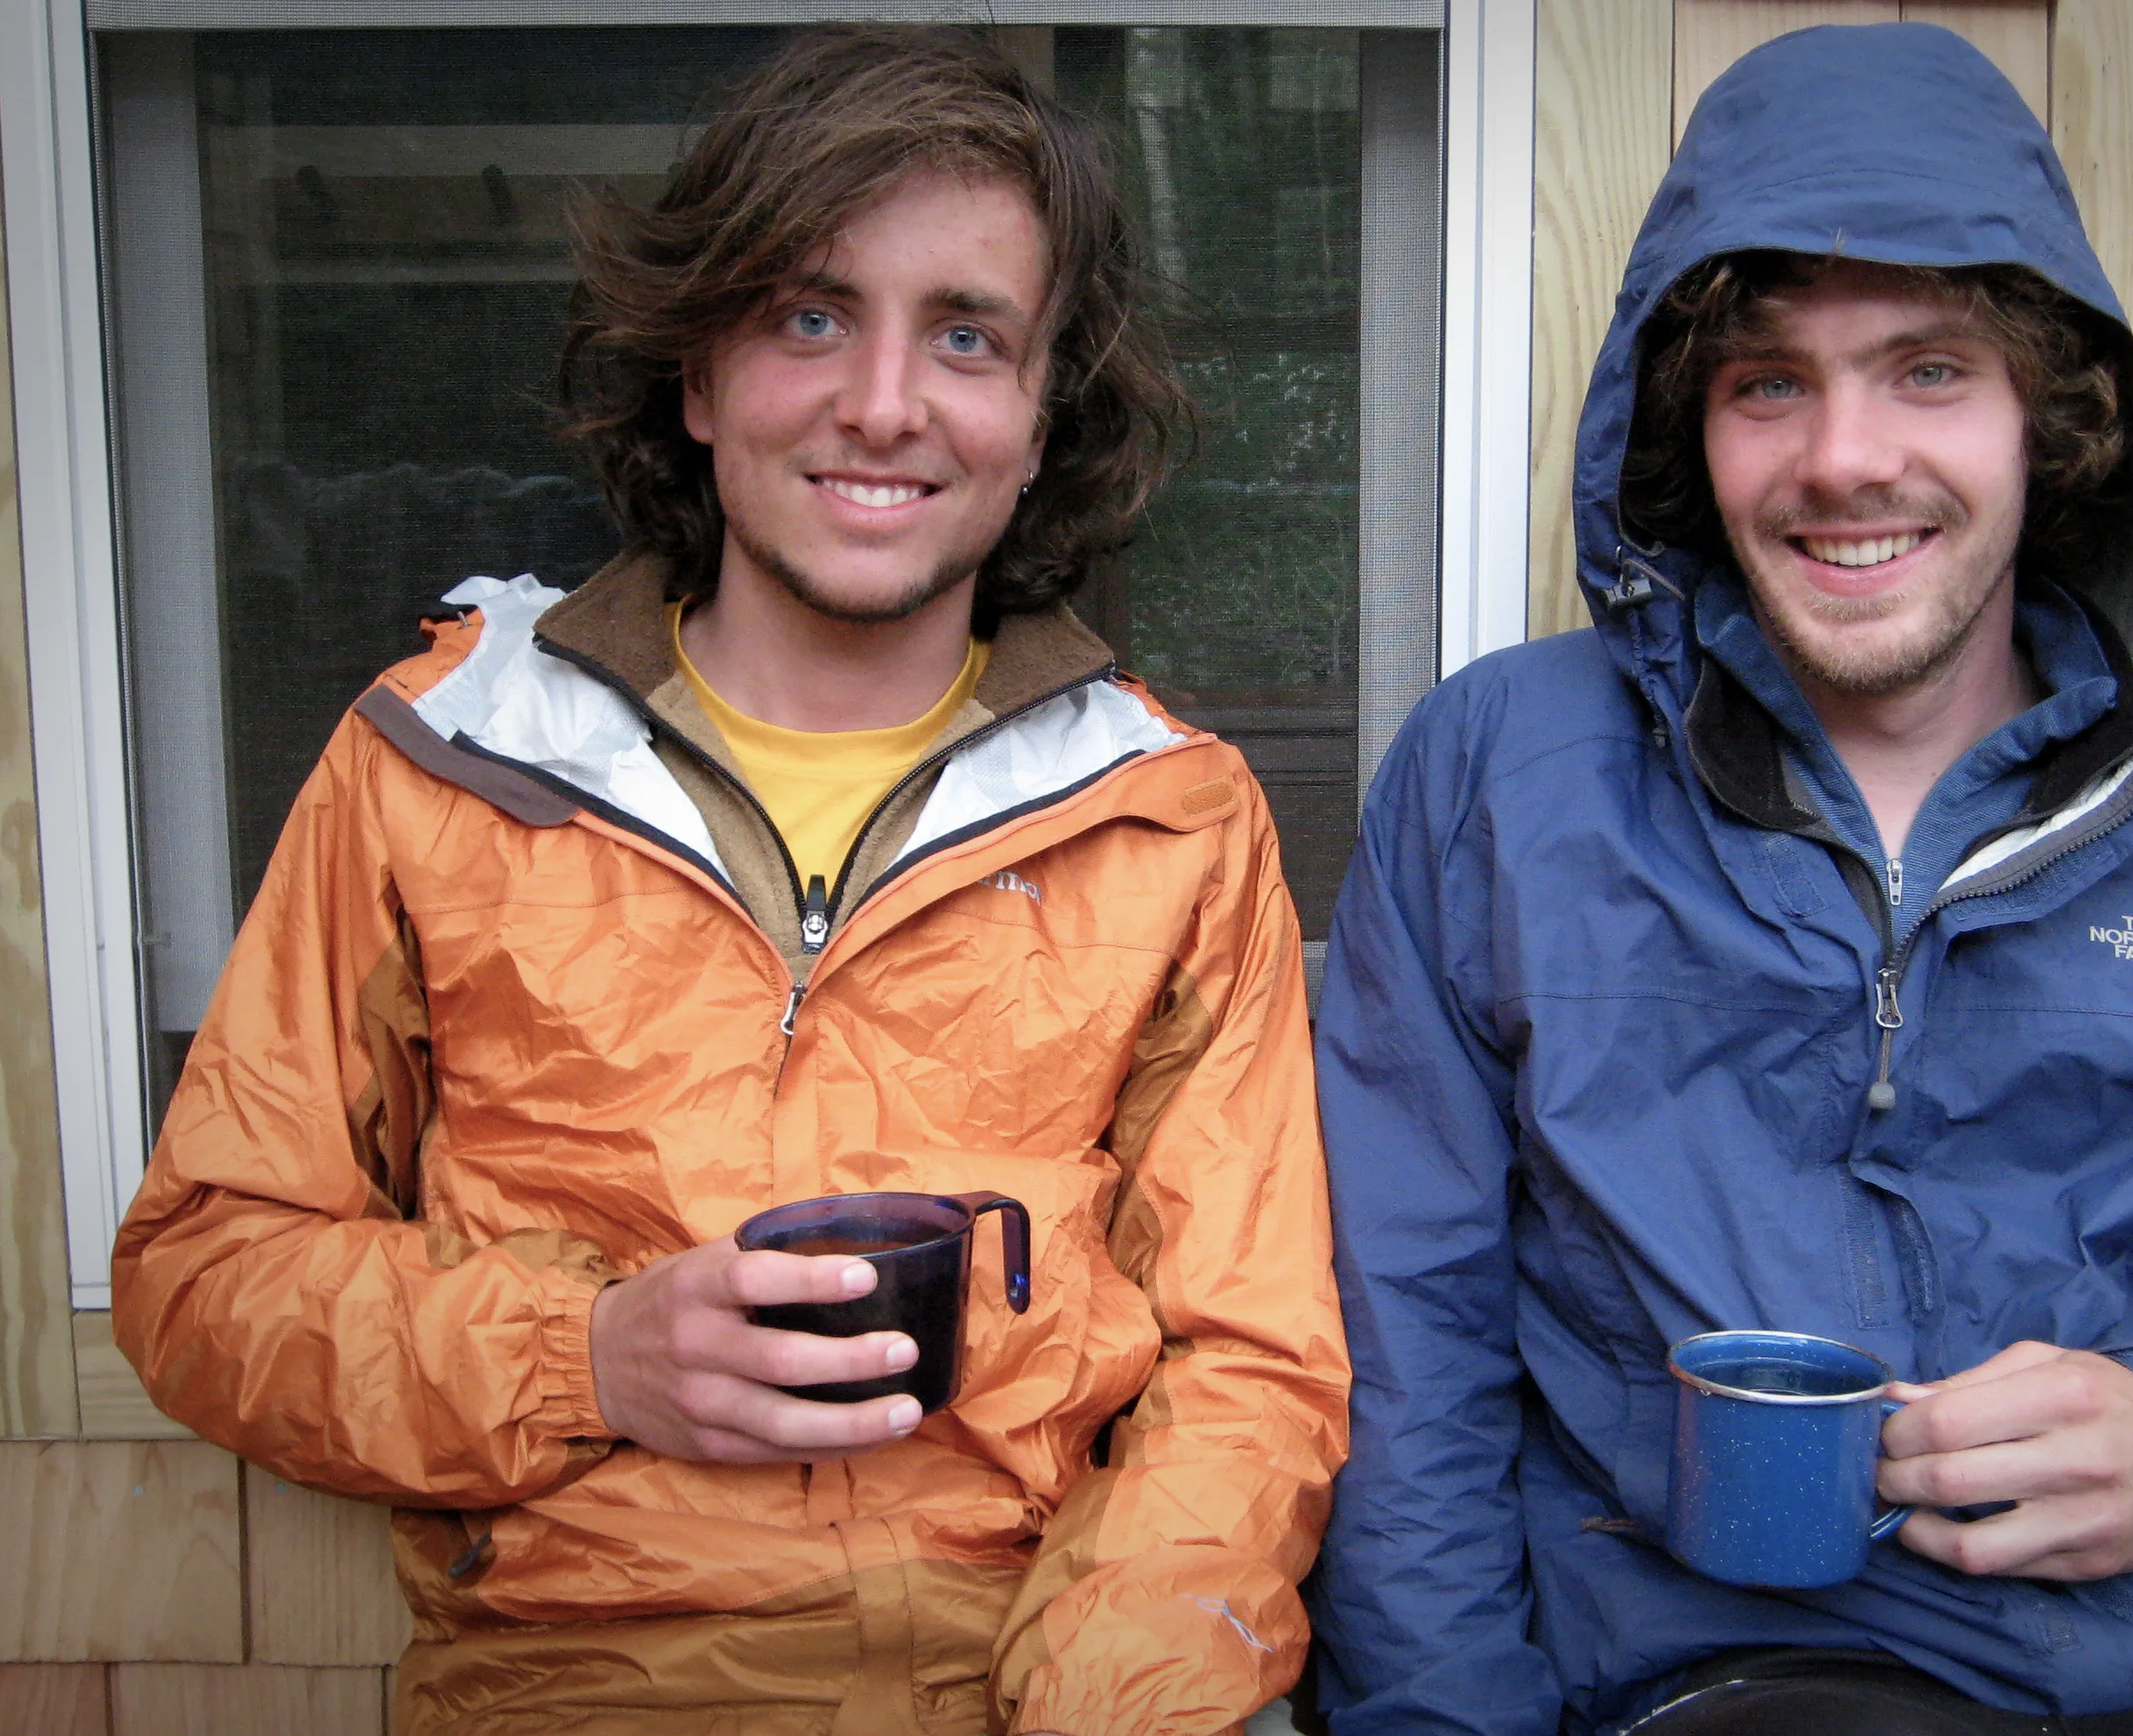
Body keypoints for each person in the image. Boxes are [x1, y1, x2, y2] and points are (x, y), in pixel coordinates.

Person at [1308, 23, 2133, 1736]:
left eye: (1924, 370)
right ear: (1685, 430)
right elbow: (1406, 1354)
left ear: (2047, 426)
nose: (1841, 459)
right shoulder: (1498, 785)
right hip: (1750, 1671)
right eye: (1768, 382)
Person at [112, 29, 1347, 1736]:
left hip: (1034, 1678)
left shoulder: (1168, 816)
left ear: (1039, 412)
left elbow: (1253, 1362)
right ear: (697, 377)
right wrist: (590, 1357)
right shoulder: (437, 760)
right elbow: (203, 1277)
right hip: (570, 1688)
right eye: (809, 314)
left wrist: (1090, 1711)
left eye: (967, 335)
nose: (884, 402)